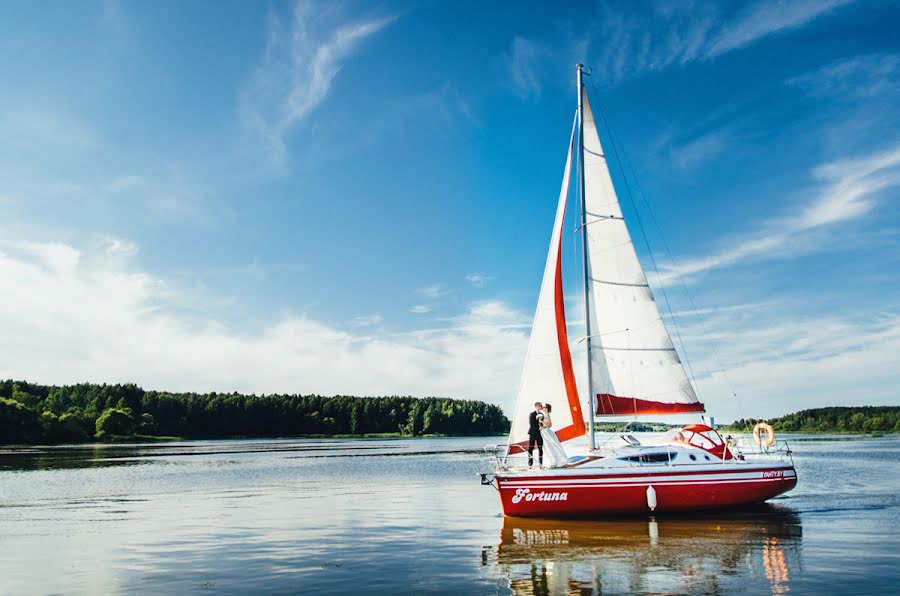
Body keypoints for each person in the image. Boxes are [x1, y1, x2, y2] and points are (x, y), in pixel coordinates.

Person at [527, 402, 544, 467]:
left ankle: (540, 462)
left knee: (540, 448)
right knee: (531, 448)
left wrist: (541, 426)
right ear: (536, 406)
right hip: (532, 433)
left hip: (539, 433)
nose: (540, 407)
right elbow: (532, 424)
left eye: (541, 406)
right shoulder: (532, 414)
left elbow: (542, 423)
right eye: (539, 406)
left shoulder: (541, 414)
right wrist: (538, 426)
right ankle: (530, 462)